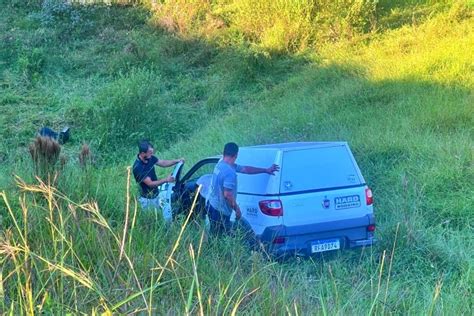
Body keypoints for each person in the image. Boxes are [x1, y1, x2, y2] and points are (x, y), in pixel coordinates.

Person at [206, 142, 279, 235]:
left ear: (223, 153)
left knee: (214, 234)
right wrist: (237, 209)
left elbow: (245, 169)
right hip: (220, 211)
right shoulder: (229, 172)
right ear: (236, 155)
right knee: (218, 237)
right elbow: (227, 195)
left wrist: (265, 170)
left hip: (212, 205)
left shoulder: (220, 163)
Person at [132, 140, 183, 213]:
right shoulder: (138, 167)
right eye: (150, 153)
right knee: (151, 219)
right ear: (143, 153)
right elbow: (150, 184)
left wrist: (176, 161)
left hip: (156, 194)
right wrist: (166, 180)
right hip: (147, 200)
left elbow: (163, 163)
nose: (151, 155)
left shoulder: (149, 157)